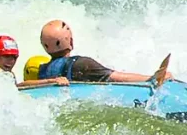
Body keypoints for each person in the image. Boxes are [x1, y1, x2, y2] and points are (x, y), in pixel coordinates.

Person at [38, 19, 172, 82]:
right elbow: (116, 77)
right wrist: (152, 78)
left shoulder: (41, 70)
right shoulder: (82, 64)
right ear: (70, 41)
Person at [0, 35, 69, 88]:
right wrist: (51, 81)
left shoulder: (6, 75)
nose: (11, 61)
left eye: (14, 57)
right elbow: (18, 87)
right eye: (7, 56)